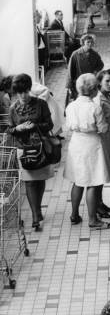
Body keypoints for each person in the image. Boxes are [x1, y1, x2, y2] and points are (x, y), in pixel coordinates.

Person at [64, 74, 110, 229]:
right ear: (93, 90)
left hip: (76, 143)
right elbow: (103, 129)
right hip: (92, 143)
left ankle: (74, 214)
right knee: (93, 181)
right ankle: (93, 220)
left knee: (78, 180)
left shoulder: (71, 106)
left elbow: (69, 126)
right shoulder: (94, 107)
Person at [7, 74, 54, 231]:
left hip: (41, 148)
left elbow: (50, 124)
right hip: (24, 149)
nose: (23, 95)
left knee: (40, 180)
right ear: (16, 92)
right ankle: (35, 215)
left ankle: (38, 208)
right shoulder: (13, 108)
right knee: (29, 181)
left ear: (30, 90)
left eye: (26, 91)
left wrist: (35, 126)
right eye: (20, 92)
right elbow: (9, 129)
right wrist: (18, 129)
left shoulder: (41, 104)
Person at [94, 70, 110, 216]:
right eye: (107, 81)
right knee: (101, 171)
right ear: (99, 83)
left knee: (105, 171)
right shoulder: (98, 99)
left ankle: (100, 202)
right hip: (103, 137)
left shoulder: (109, 96)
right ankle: (97, 205)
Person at [67, 34, 104, 100]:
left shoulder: (95, 54)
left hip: (90, 84)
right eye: (88, 42)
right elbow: (70, 71)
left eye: (92, 42)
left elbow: (101, 65)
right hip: (79, 84)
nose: (90, 44)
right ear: (83, 42)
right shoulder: (76, 54)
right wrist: (69, 86)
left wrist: (96, 71)